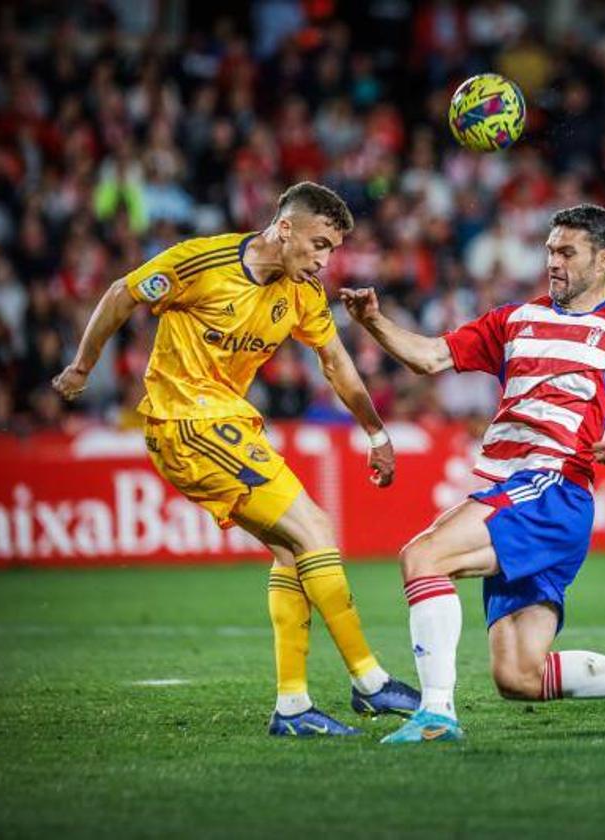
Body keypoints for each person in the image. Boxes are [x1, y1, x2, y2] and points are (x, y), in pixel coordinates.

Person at [341, 204, 605, 744]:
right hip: (515, 492)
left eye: (567, 252)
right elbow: (429, 358)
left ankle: (436, 714)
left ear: (602, 259)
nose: (553, 262)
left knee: (422, 556)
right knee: (518, 676)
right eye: (549, 251)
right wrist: (372, 321)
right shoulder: (514, 319)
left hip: (552, 489)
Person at [52, 181, 420, 736]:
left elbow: (337, 364)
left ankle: (293, 708)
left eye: (332, 251)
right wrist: (82, 366)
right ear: (285, 228)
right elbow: (121, 294)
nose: (324, 259)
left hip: (224, 422)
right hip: (186, 420)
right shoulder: (202, 262)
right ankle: (370, 681)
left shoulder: (301, 293)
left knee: (293, 552)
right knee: (316, 528)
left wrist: (375, 433)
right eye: (319, 244)